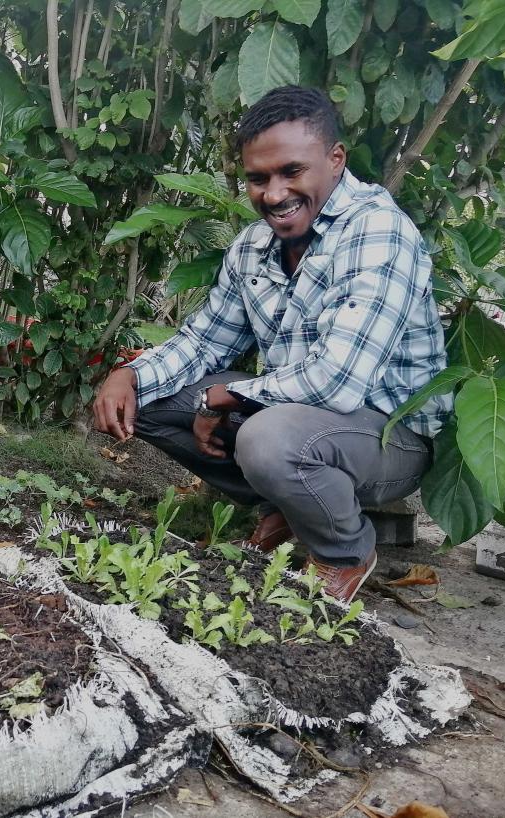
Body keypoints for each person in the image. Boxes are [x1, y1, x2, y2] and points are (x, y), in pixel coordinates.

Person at [92, 86, 451, 603]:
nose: (274, 194)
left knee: (267, 438)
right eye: (258, 179)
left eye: (292, 172)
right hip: (296, 415)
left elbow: (337, 381)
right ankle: (290, 505)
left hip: (390, 435)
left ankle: (344, 550)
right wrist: (127, 375)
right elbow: (203, 341)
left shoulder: (378, 232)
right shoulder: (254, 246)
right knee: (148, 399)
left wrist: (224, 398)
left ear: (334, 159)